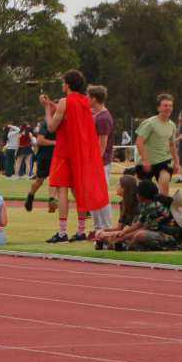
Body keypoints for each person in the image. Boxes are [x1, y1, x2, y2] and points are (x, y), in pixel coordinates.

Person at [41, 70, 109, 243]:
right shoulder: (86, 101)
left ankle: (62, 232)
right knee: (78, 190)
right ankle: (81, 230)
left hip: (64, 152)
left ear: (68, 84)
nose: (62, 85)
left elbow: (51, 127)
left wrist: (47, 110)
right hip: (81, 153)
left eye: (63, 83)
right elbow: (74, 119)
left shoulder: (65, 101)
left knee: (62, 190)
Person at [134, 93, 179, 198]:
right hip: (146, 163)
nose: (168, 108)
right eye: (165, 105)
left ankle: (163, 211)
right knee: (143, 194)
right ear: (159, 108)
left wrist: (177, 162)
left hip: (163, 161)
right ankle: (142, 212)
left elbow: (172, 145)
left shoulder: (172, 125)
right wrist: (145, 160)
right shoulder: (149, 123)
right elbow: (139, 142)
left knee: (164, 186)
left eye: (170, 106)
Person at [88, 86, 116, 234]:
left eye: (88, 97)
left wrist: (95, 163)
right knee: (93, 195)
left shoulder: (104, 118)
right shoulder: (97, 115)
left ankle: (105, 227)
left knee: (101, 195)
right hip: (95, 163)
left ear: (94, 98)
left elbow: (102, 144)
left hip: (101, 163)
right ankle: (98, 227)